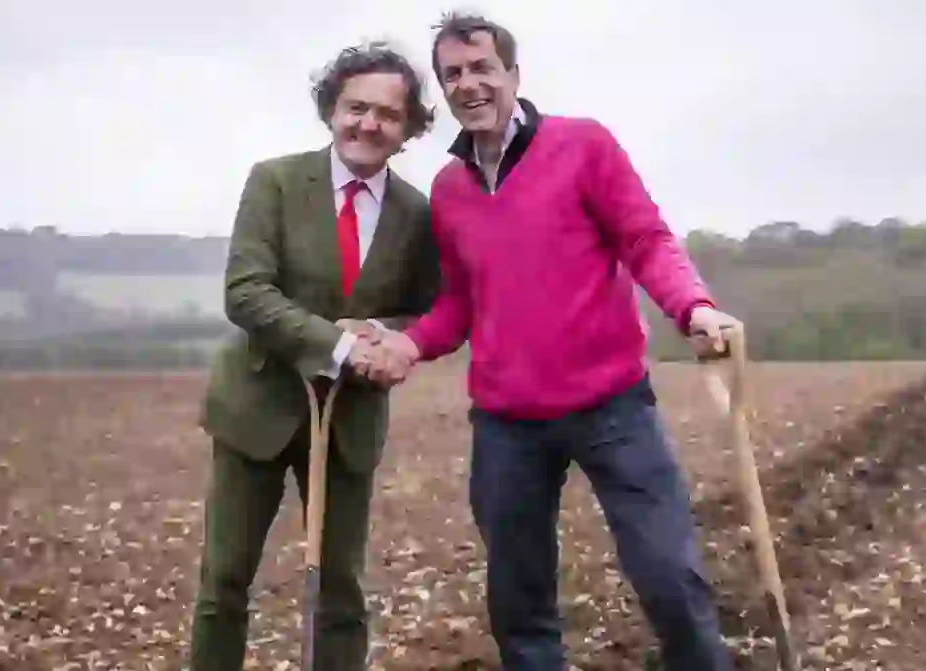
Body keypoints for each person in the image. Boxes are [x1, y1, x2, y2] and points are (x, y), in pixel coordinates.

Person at [374, 11, 740, 671]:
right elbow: (458, 302)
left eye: (482, 67)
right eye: (453, 74)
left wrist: (695, 306)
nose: (469, 84)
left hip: (613, 408)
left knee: (669, 579)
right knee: (520, 606)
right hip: (507, 426)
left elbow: (645, 238)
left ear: (513, 74)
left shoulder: (584, 146)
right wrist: (408, 344)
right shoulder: (449, 190)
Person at [190, 41, 439, 671]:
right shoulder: (274, 181)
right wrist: (339, 345)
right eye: (356, 107)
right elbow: (246, 293)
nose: (368, 124)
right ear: (332, 109)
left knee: (341, 590)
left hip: (350, 423)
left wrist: (385, 335)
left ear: (407, 128)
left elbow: (426, 311)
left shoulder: (417, 213)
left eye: (387, 114)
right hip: (258, 410)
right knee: (225, 582)